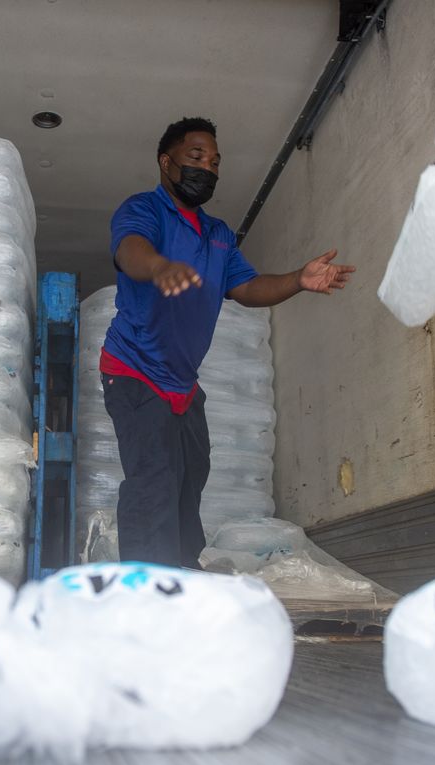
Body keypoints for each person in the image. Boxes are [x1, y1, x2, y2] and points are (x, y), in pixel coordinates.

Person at [101, 116, 355, 569]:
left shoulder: (218, 235)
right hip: (134, 368)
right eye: (196, 157)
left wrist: (298, 279)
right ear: (167, 162)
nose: (209, 168)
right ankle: (143, 588)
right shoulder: (144, 210)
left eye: (216, 161)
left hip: (181, 382)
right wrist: (159, 267)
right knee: (154, 478)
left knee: (189, 477)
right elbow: (130, 249)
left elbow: (247, 289)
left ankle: (182, 573)